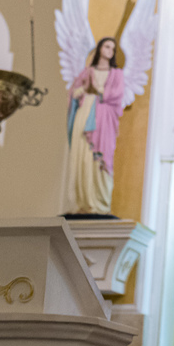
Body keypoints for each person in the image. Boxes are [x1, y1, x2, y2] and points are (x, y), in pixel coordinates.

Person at [64, 37, 124, 215]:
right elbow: (74, 93)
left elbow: (117, 95)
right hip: (84, 114)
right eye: (107, 46)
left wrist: (98, 89)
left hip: (103, 120)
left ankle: (100, 202)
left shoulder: (116, 74)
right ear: (99, 49)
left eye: (112, 48)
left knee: (101, 158)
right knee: (82, 157)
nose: (110, 51)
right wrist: (84, 90)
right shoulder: (87, 72)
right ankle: (82, 202)